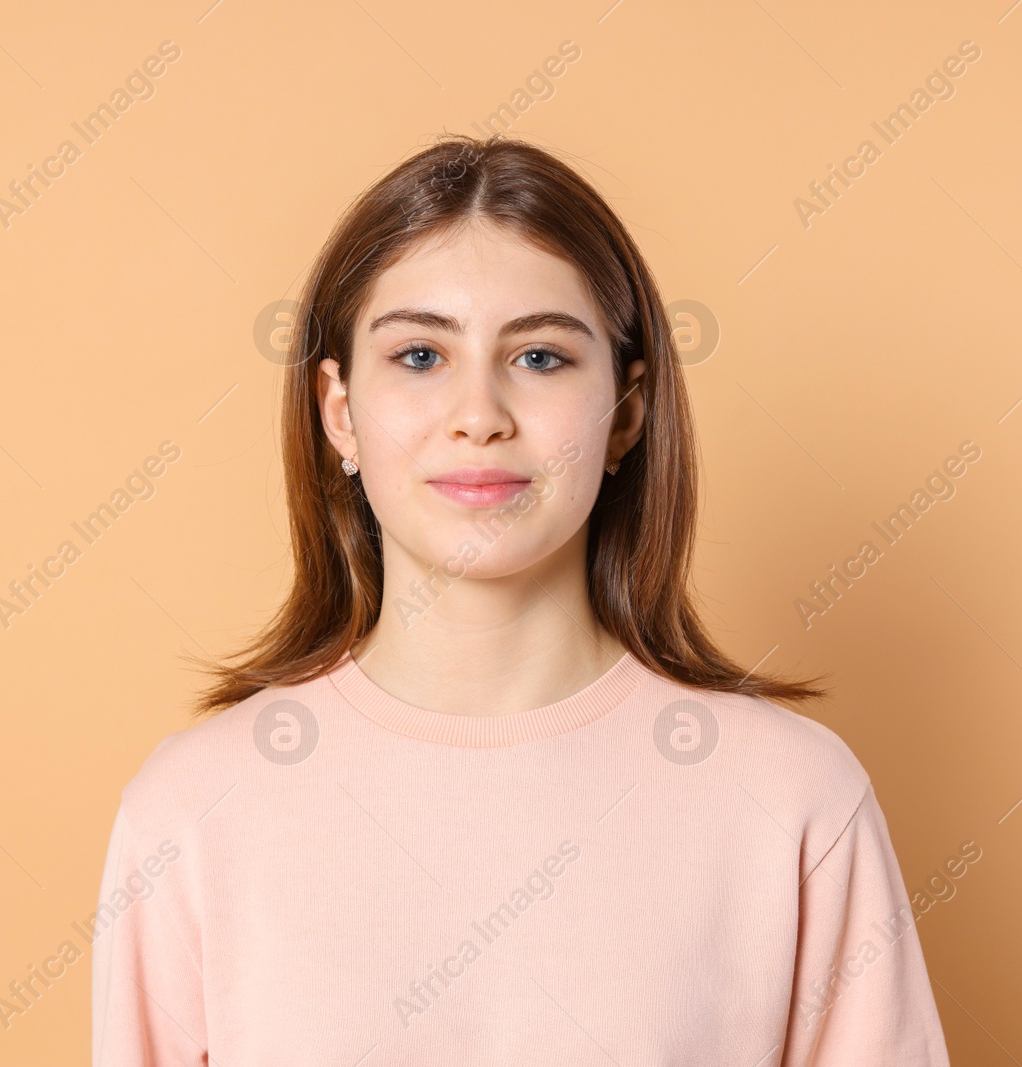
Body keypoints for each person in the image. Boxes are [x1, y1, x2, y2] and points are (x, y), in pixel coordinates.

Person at [91, 135, 951, 1065]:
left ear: (625, 413)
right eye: (420, 355)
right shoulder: (192, 811)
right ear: (339, 411)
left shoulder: (795, 800)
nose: (479, 413)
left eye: (539, 357)